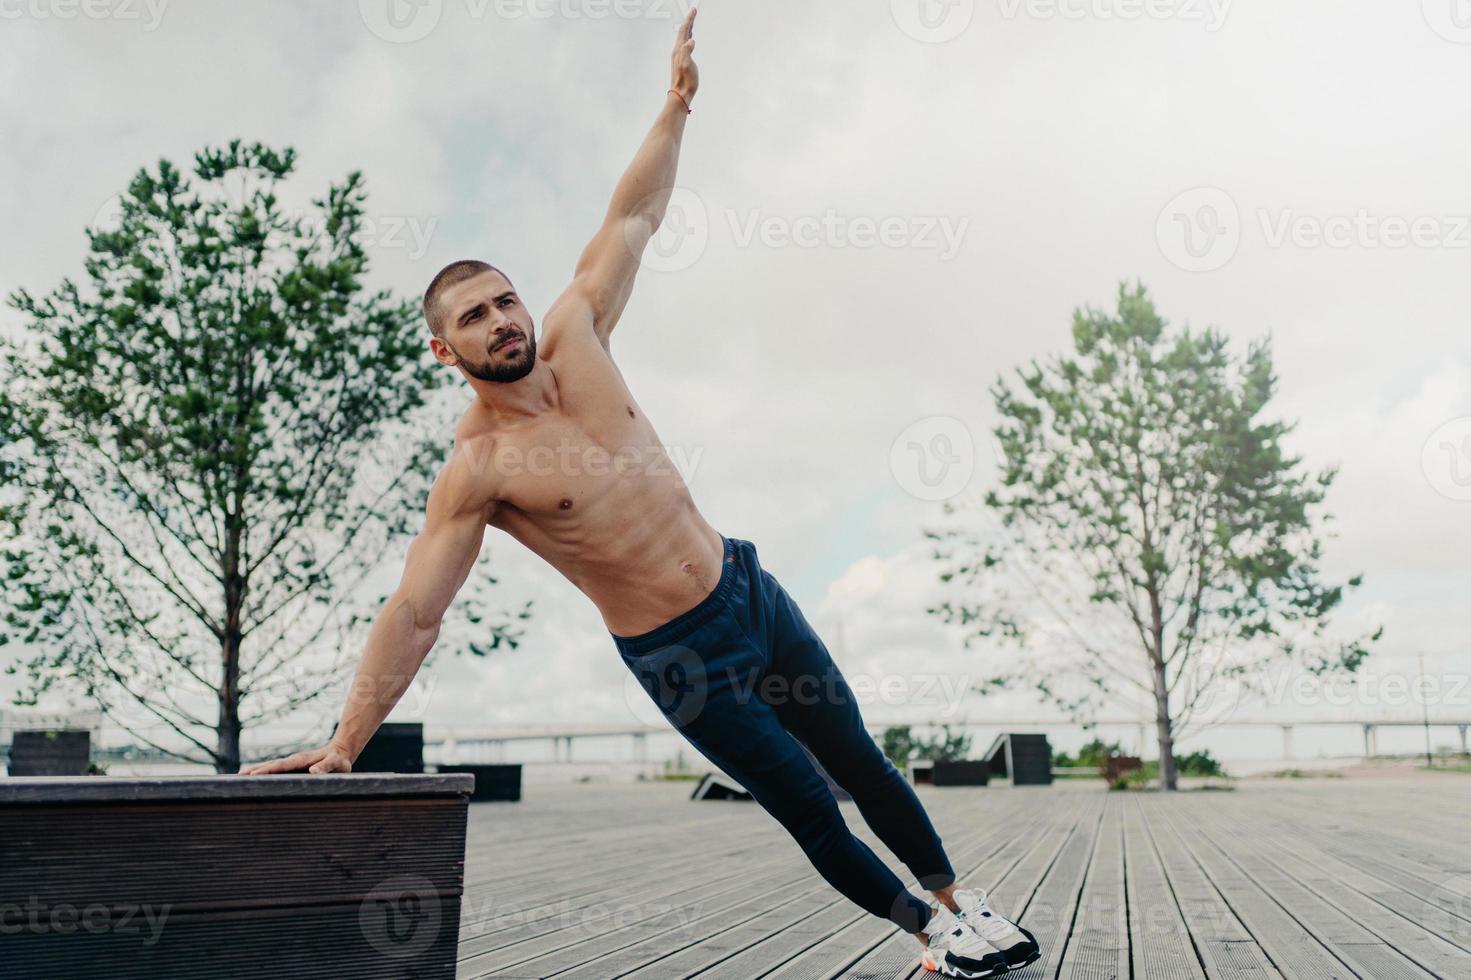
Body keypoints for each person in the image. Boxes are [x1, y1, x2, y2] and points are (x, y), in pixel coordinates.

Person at [239, 9, 1036, 976]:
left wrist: (675, 106)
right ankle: (929, 933)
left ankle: (960, 901)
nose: (500, 321)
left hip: (748, 589)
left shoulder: (578, 331)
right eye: (473, 319)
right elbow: (415, 611)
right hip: (679, 655)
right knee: (806, 802)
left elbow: (633, 217)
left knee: (860, 759)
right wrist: (346, 742)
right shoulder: (479, 469)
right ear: (444, 351)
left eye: (503, 299)